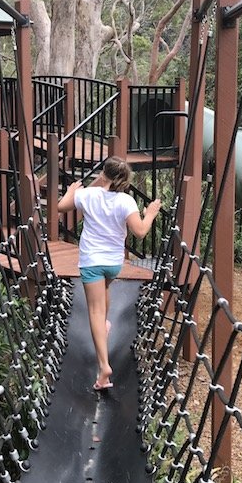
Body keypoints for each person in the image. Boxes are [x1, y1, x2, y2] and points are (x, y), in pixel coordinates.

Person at [57, 156, 161, 391]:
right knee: (104, 288)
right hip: (114, 264)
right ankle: (104, 323)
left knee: (94, 309)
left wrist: (73, 189)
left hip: (92, 261)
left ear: (103, 173)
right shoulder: (126, 201)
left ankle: (104, 367)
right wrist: (151, 212)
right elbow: (141, 231)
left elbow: (60, 207)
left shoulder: (87, 195)